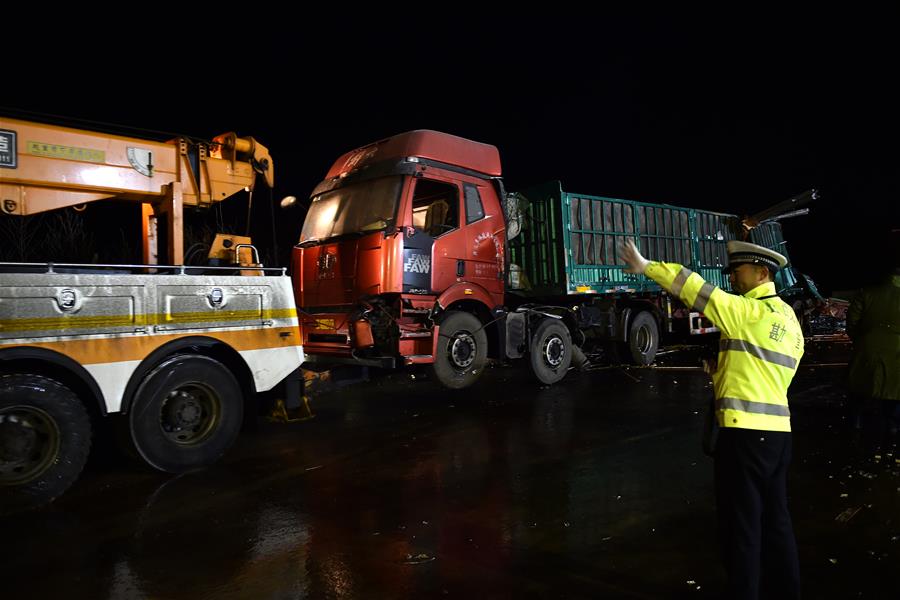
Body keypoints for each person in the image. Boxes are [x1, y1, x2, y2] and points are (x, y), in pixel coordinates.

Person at [620, 238, 803, 600]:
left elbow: (698, 290)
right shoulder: (789, 320)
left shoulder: (746, 313)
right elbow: (764, 375)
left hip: (745, 438)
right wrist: (721, 372)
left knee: (742, 528)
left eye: (738, 271)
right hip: (779, 437)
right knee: (777, 524)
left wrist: (648, 267)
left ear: (762, 273)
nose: (732, 278)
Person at [846, 264, 900, 443]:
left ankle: (856, 423)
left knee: (860, 387)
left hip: (867, 348)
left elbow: (852, 323)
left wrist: (863, 341)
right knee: (894, 390)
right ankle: (891, 425)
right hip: (898, 353)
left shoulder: (866, 293)